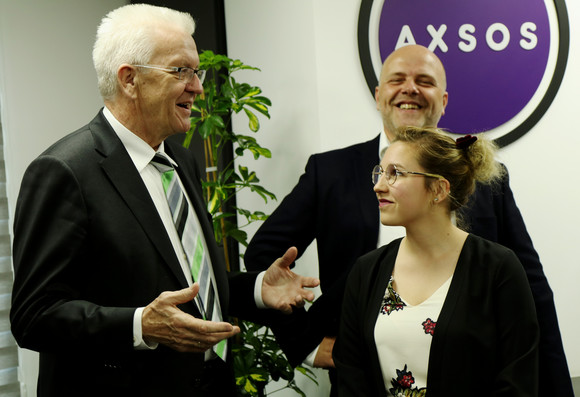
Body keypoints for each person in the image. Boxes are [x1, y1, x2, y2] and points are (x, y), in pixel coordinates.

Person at [9, 4, 319, 397]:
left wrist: (257, 289)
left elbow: (186, 286)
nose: (198, 86)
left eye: (197, 71)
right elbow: (33, 316)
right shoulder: (65, 171)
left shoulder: (181, 160)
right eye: (181, 71)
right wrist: (141, 325)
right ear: (130, 80)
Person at [244, 44, 573, 395]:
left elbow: (532, 290)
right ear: (378, 95)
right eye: (397, 79)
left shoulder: (484, 181)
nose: (410, 88)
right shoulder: (330, 172)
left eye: (424, 81)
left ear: (443, 100)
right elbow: (264, 259)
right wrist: (308, 343)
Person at [333, 126, 539, 396]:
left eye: (395, 173)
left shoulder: (497, 268)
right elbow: (351, 376)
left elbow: (518, 380)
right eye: (380, 172)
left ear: (438, 189)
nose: (378, 185)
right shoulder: (367, 271)